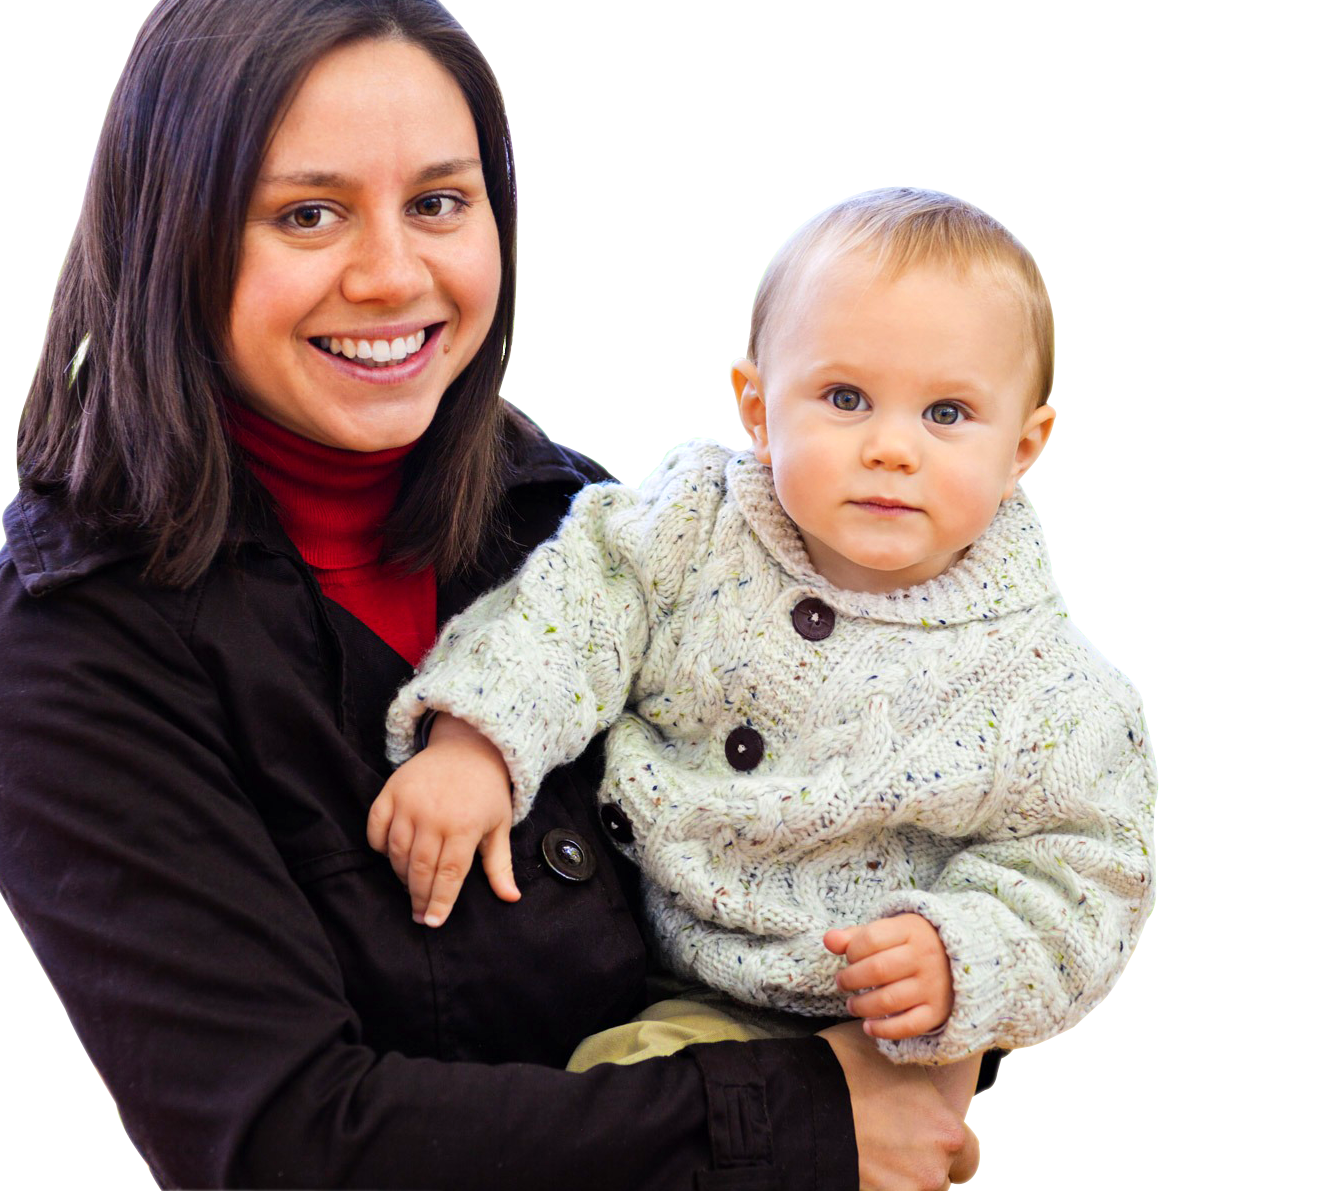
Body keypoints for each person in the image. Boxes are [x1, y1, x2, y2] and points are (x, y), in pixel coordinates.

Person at [0, 0, 983, 1191]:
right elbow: (284, 1142)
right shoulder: (66, 651)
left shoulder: (589, 528)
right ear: (173, 235)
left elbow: (854, 849)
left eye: (439, 201)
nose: (393, 274)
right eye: (307, 213)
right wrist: (808, 1115)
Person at [372, 188, 1158, 1097]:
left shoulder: (1051, 691)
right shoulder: (692, 529)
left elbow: (1087, 871)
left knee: (628, 1093)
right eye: (846, 397)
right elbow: (571, 613)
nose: (893, 448)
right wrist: (479, 740)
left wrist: (962, 955)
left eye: (947, 414)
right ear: (755, 405)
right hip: (630, 937)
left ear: (1023, 447)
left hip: (855, 1021)